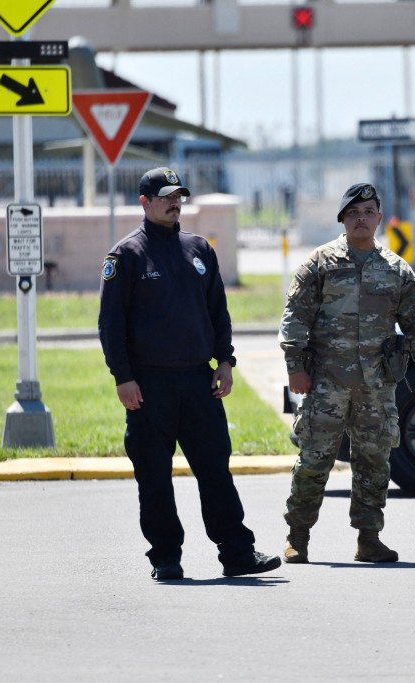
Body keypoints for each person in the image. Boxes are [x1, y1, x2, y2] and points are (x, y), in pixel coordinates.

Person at [98, 167, 281, 580]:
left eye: (178, 196)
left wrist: (225, 362)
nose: (174, 203)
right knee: (154, 477)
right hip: (149, 386)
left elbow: (218, 311)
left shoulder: (199, 249)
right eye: (165, 197)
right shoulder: (126, 256)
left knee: (215, 471)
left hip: (199, 381)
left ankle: (237, 553)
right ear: (145, 202)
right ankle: (166, 558)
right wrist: (122, 377)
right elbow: (110, 324)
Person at [280, 182, 415, 564]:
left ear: (379, 218)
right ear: (342, 218)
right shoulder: (320, 264)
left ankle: (369, 539)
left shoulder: (397, 270)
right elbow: (295, 319)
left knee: (374, 464)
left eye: (368, 212)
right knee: (314, 461)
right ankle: (297, 537)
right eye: (353, 212)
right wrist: (295, 369)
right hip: (326, 383)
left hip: (376, 385)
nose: (361, 218)